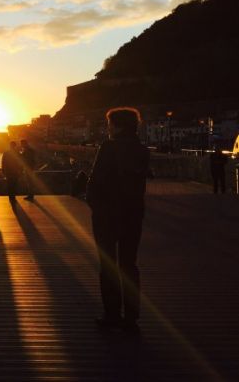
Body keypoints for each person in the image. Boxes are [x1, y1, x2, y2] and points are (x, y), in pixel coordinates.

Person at [86, 107, 149, 333]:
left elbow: (96, 179)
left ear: (119, 126)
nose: (108, 128)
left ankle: (112, 314)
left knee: (109, 264)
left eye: (110, 124)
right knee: (129, 265)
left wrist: (92, 200)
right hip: (133, 214)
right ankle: (131, 318)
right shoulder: (142, 151)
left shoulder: (108, 148)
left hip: (107, 214)